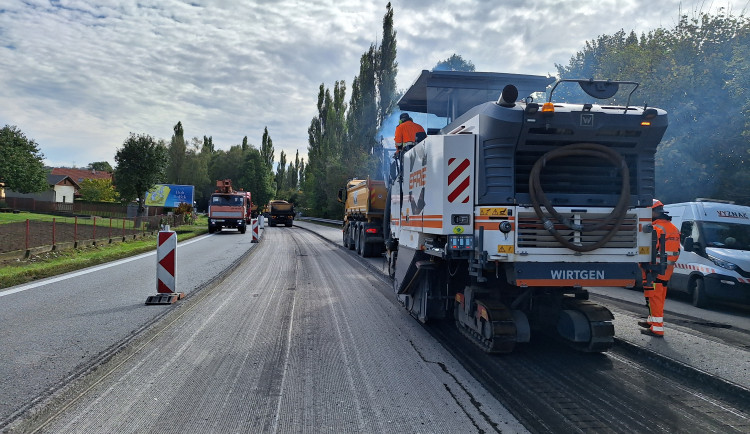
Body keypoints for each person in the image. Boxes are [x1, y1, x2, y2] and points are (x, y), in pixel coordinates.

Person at [639, 199, 681, 337]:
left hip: (655, 268)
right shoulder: (672, 227)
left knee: (655, 296)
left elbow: (649, 250)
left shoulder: (656, 228)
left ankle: (657, 328)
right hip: (666, 268)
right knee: (658, 295)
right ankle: (651, 321)